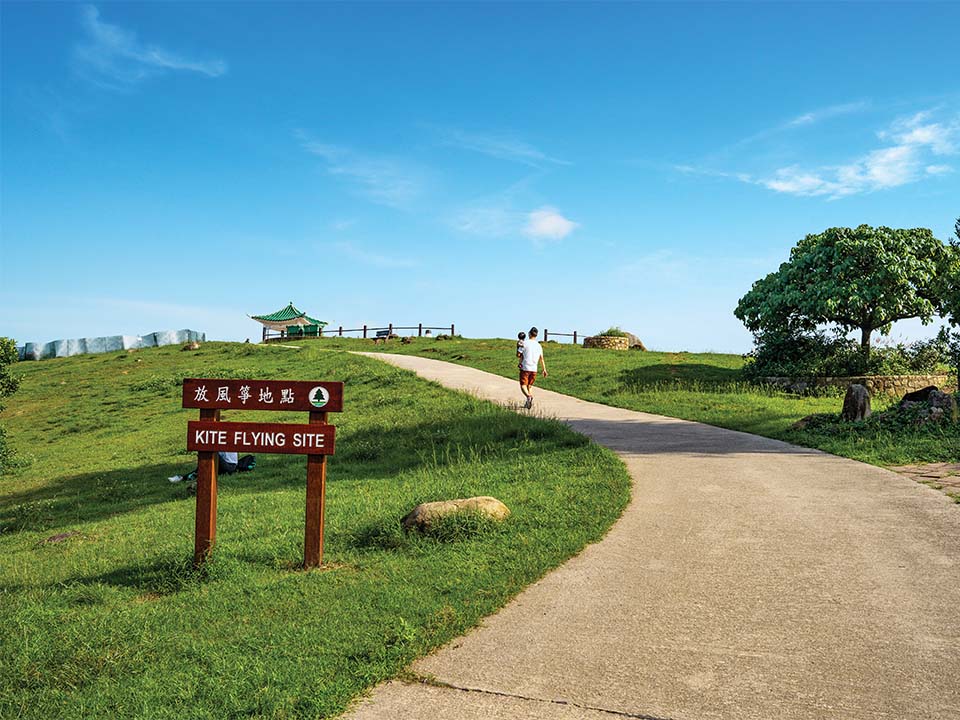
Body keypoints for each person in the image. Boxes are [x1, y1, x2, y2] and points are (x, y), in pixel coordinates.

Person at [519, 326, 547, 409]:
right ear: (536, 335)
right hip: (534, 368)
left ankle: (528, 397)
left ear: (529, 334)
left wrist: (520, 362)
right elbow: (541, 358)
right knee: (529, 386)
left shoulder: (524, 343)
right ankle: (528, 403)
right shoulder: (539, 345)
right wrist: (544, 369)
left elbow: (519, 355)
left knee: (523, 385)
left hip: (525, 367)